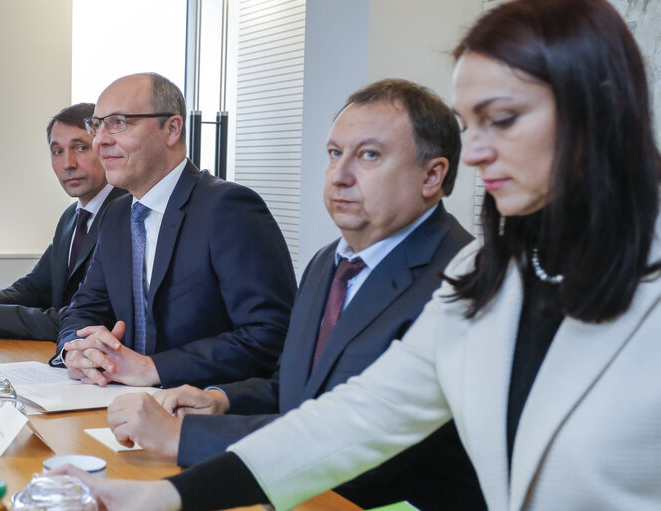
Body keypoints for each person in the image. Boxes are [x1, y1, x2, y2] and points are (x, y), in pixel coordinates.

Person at [53, 0, 661, 509]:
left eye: (501, 120)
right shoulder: (482, 276)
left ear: (596, 110)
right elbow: (354, 420)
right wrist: (160, 498)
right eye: (469, 124)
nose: (475, 152)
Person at [105, 79, 484, 510]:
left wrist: (187, 438)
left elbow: (375, 441)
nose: (340, 176)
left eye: (370, 156)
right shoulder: (328, 263)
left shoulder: (462, 279)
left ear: (432, 175)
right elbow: (295, 390)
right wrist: (221, 400)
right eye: (335, 153)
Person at [54, 73, 296, 389]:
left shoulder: (228, 207)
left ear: (172, 129)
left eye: (118, 123)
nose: (100, 141)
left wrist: (153, 368)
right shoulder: (116, 214)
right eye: (97, 125)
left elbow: (270, 333)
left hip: (205, 410)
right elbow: (84, 309)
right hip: (116, 401)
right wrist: (77, 350)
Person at [0, 103, 127, 341]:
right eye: (57, 151)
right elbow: (35, 287)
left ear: (104, 148)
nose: (68, 163)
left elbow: (97, 317)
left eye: (80, 147)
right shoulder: (72, 217)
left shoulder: (126, 214)